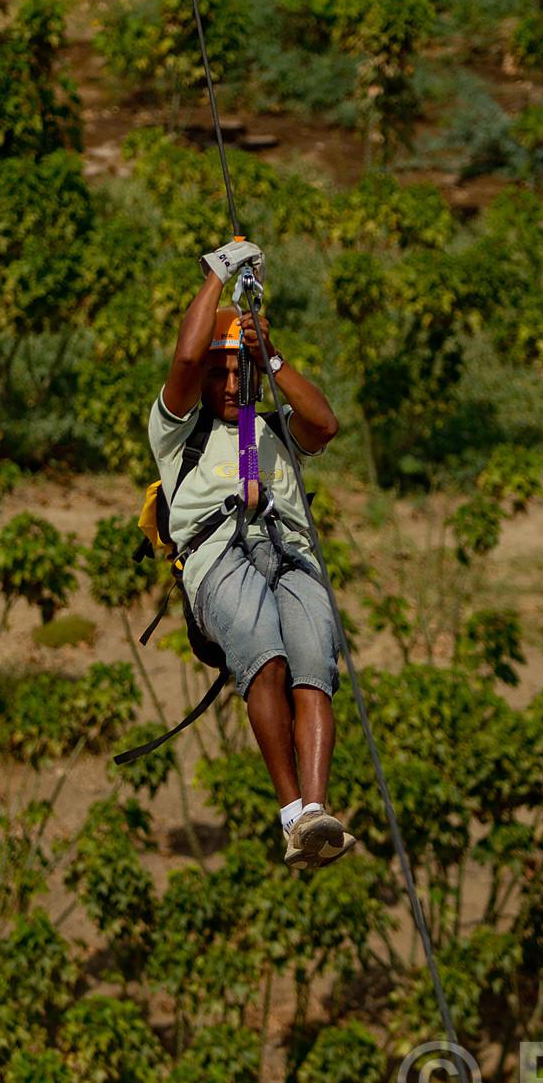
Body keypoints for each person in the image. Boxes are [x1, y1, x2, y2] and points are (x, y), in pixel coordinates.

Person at [148, 238, 352, 869]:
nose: (232, 383)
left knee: (313, 661)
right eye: (222, 372)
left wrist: (271, 356)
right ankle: (291, 808)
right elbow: (187, 356)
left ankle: (315, 815)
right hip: (220, 560)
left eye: (240, 373)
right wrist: (217, 273)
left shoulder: (271, 431)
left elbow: (324, 424)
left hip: (289, 552)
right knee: (264, 653)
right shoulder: (178, 431)